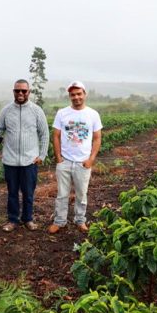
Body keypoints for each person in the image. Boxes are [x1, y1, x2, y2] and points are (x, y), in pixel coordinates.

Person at [0, 79, 49, 232]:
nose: (21, 93)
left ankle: (28, 219)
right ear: (13, 92)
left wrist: (41, 155)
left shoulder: (37, 111)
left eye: (24, 91)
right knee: (12, 193)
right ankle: (12, 220)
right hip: (10, 161)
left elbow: (44, 134)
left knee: (28, 193)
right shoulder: (6, 110)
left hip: (30, 161)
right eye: (18, 91)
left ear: (29, 92)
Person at [48, 81, 102, 234]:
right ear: (69, 96)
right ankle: (59, 221)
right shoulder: (62, 113)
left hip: (83, 162)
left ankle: (80, 220)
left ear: (85, 94)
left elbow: (97, 138)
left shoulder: (93, 114)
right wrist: (58, 158)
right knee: (62, 194)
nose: (76, 97)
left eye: (79, 94)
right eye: (73, 94)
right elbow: (56, 136)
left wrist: (91, 159)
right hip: (65, 161)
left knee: (81, 194)